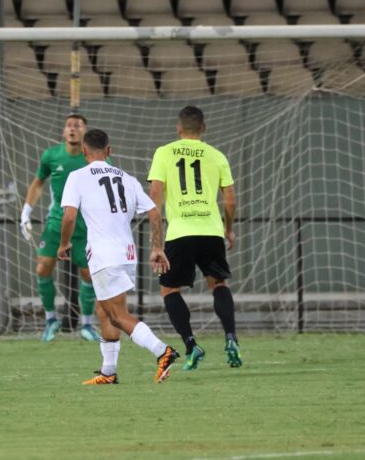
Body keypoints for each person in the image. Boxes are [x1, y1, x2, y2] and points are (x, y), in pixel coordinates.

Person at [58, 129, 179, 384]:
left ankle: (163, 352)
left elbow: (69, 216)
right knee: (105, 310)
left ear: (83, 151)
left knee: (117, 314)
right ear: (109, 150)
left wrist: (64, 243)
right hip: (127, 253)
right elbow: (155, 213)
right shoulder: (127, 177)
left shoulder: (77, 177)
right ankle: (108, 372)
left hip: (104, 255)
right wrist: (157, 248)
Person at [147, 105, 242, 370]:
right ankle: (231, 337)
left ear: (178, 128)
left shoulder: (164, 153)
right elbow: (231, 201)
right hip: (211, 230)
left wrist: (157, 242)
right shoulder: (217, 155)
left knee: (169, 288)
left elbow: (155, 196)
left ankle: (191, 344)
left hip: (180, 232)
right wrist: (228, 228)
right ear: (203, 128)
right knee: (218, 284)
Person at [20, 114, 99, 342]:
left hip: (85, 226)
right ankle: (51, 319)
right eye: (69, 126)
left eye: (78, 125)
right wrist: (26, 212)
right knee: (43, 267)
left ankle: (86, 324)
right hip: (56, 223)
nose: (73, 129)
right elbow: (38, 182)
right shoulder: (51, 156)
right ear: (64, 132)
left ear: (85, 131)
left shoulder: (93, 158)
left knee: (88, 274)